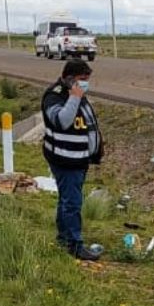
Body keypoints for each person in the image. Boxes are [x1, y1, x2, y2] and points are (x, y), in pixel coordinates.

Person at [41, 59, 104, 261]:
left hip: (78, 158)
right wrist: (75, 97)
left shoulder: (76, 94)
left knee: (67, 200)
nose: (85, 84)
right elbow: (63, 121)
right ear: (69, 78)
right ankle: (74, 245)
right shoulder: (54, 96)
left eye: (87, 80)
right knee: (72, 203)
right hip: (65, 159)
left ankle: (63, 238)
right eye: (82, 80)